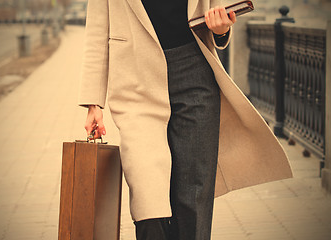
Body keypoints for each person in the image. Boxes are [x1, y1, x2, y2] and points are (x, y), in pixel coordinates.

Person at [79, 0, 293, 239]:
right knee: (148, 202)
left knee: (193, 198)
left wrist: (221, 29)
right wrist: (93, 102)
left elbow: (218, 12)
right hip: (135, 82)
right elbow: (97, 32)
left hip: (195, 74)